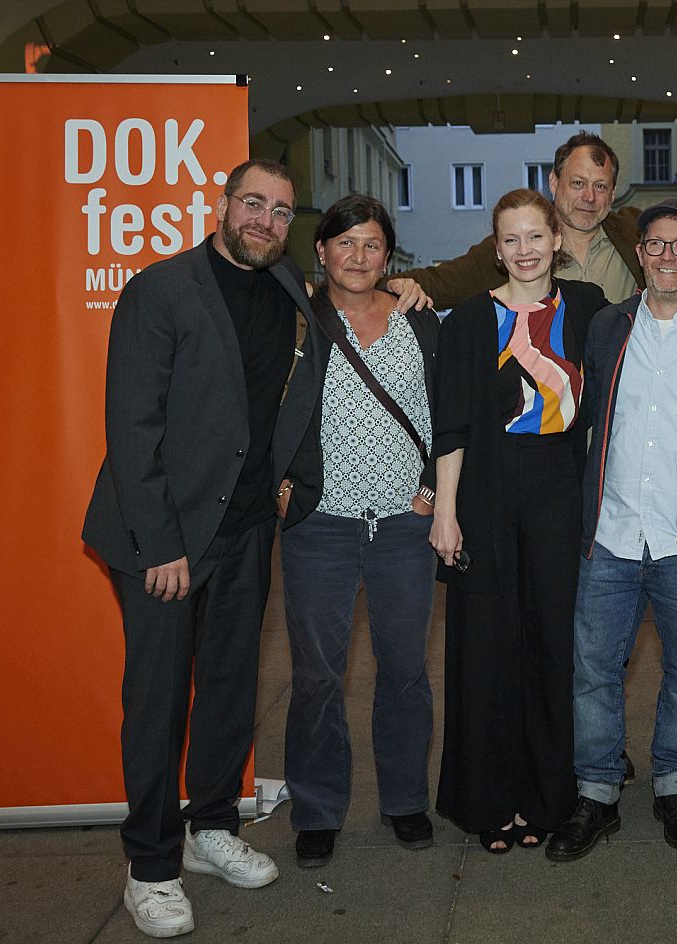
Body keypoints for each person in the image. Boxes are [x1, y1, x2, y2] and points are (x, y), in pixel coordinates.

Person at [82, 159, 315, 938]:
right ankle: (150, 866)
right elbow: (132, 424)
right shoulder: (162, 288)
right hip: (165, 538)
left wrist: (286, 480)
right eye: (253, 203)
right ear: (222, 205)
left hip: (245, 529)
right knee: (158, 703)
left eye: (280, 211)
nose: (265, 221)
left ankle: (211, 827)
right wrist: (160, 545)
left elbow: (283, 396)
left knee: (228, 686)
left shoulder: (286, 289)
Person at [545, 200, 677, 861]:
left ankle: (674, 784)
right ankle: (596, 792)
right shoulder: (607, 326)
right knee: (593, 670)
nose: (669, 256)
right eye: (657, 245)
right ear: (640, 255)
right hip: (610, 534)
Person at [430, 188, 609, 853]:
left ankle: (546, 797)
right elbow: (451, 426)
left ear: (557, 239)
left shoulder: (588, 306)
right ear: (496, 248)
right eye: (511, 239)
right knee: (485, 649)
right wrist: (445, 513)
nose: (525, 250)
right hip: (484, 494)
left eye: (536, 236)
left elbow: (658, 321)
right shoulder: (468, 321)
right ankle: (489, 800)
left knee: (554, 648)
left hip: (561, 495)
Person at [276, 195, 440, 870]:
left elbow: (446, 410)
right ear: (321, 250)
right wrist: (279, 476)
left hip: (404, 525)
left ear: (388, 256)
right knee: (317, 674)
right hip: (320, 526)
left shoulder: (419, 319)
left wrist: (434, 489)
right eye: (345, 242)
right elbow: (260, 400)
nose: (358, 256)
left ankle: (404, 800)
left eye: (372, 245)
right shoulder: (296, 318)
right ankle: (317, 810)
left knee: (404, 669)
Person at [387, 131, 677, 308]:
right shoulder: (522, 248)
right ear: (554, 182)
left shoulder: (635, 232)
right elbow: (441, 283)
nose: (589, 197)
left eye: (600, 186)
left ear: (612, 194)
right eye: (578, 183)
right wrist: (390, 286)